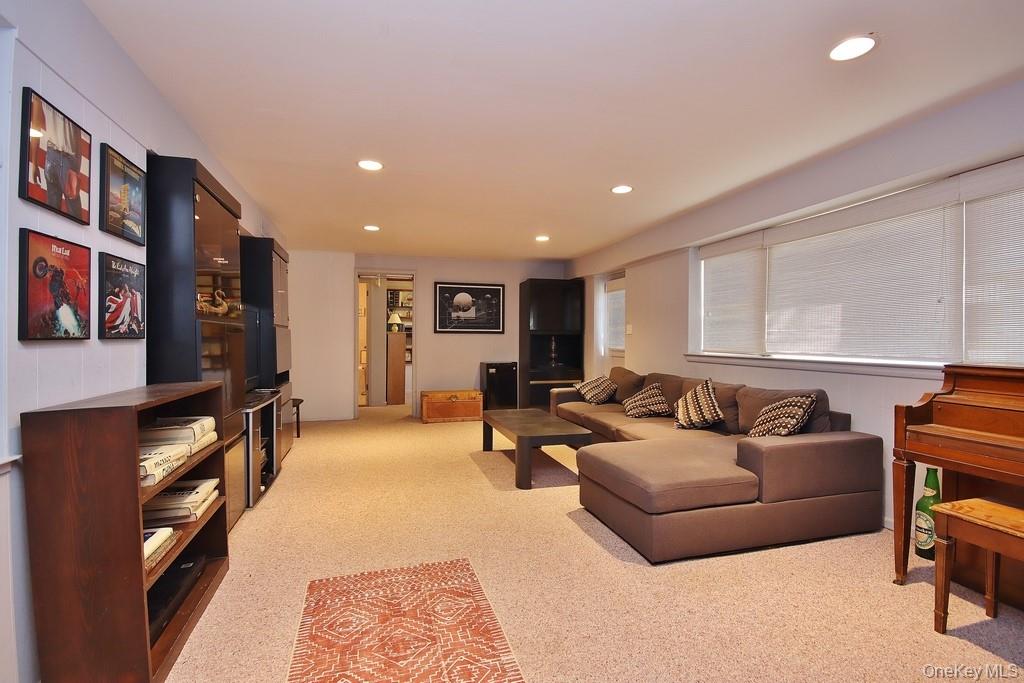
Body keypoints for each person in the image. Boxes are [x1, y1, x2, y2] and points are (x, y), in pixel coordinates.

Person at [28, 94, 83, 217]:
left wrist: (34, 164)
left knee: (52, 212)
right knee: (74, 215)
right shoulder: (74, 102)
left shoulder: (42, 95)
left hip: (52, 156)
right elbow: (78, 139)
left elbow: (35, 128)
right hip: (66, 157)